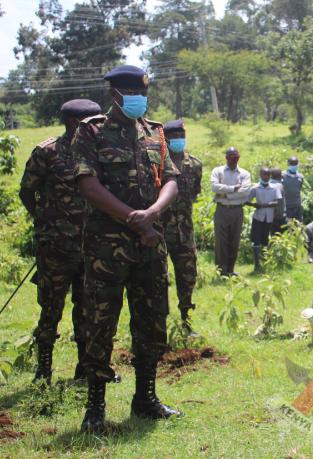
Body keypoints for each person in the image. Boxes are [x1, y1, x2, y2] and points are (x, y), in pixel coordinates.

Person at [72, 65, 181, 433]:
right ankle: (95, 407)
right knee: (100, 322)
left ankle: (145, 398)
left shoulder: (155, 132)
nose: (139, 98)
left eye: (142, 92)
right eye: (132, 91)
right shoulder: (92, 131)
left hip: (150, 245)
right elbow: (88, 185)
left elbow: (171, 180)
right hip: (106, 247)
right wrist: (134, 218)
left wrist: (151, 214)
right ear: (115, 94)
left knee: (152, 321)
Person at [19, 99, 102, 385]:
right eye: (94, 121)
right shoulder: (47, 152)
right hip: (55, 248)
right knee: (51, 308)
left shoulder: (98, 151)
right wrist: (46, 221)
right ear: (75, 122)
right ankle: (44, 369)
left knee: (87, 309)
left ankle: (84, 367)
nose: (99, 126)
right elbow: (26, 192)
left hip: (90, 246)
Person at [160, 120, 202, 335]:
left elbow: (194, 194)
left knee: (187, 276)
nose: (178, 139)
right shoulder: (157, 163)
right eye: (174, 136)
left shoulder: (194, 165)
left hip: (185, 232)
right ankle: (160, 323)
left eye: (181, 135)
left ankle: (187, 321)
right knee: (159, 278)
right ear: (165, 138)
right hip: (159, 231)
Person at [211, 147, 251, 276]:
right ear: (226, 157)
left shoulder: (244, 173)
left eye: (235, 155)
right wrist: (233, 188)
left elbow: (244, 191)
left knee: (234, 240)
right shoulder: (218, 171)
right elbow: (214, 187)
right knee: (221, 241)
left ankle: (230, 270)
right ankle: (221, 271)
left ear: (239, 157)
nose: (233, 158)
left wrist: (224, 194)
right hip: (222, 210)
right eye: (231, 155)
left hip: (237, 211)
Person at [245, 167, 281, 273]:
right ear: (260, 175)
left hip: (269, 218)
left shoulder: (274, 188)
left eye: (268, 175)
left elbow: (277, 202)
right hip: (258, 217)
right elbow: (246, 200)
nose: (266, 177)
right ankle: (257, 264)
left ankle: (264, 263)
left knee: (265, 240)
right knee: (256, 240)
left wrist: (268, 205)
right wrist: (254, 204)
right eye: (264, 174)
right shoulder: (255, 188)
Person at [283, 156, 304, 221]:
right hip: (286, 206)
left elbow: (299, 188)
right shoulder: (282, 175)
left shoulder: (300, 177)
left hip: (297, 206)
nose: (294, 166)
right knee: (287, 224)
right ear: (288, 164)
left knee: (298, 224)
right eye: (292, 164)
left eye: (295, 164)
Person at [270, 168, 287, 235]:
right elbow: (279, 203)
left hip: (270, 216)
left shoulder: (268, 184)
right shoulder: (279, 186)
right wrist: (280, 216)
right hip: (278, 217)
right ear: (280, 175)